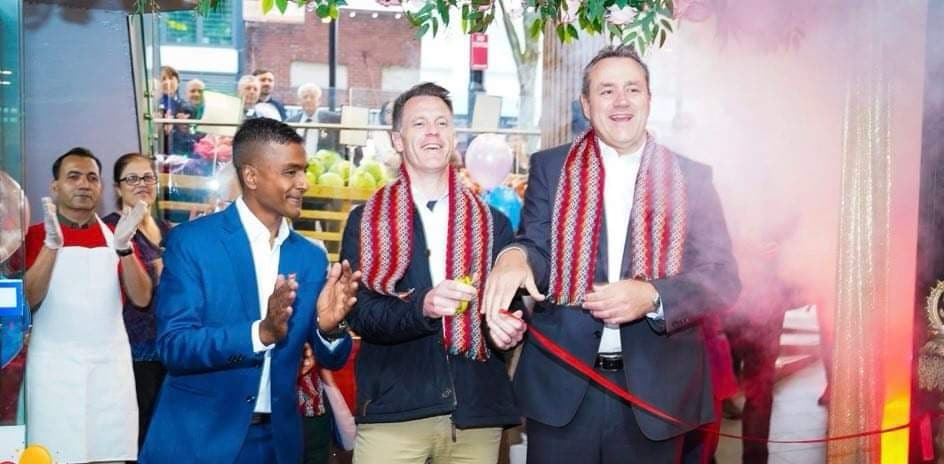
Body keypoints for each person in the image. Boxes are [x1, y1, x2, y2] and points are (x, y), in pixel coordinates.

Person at [483, 45, 741, 463]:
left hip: (657, 393)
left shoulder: (691, 178)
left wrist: (653, 296)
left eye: (632, 89)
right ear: (586, 105)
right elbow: (537, 248)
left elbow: (723, 278)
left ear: (649, 100)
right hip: (562, 387)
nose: (621, 101)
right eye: (606, 91)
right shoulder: (551, 167)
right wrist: (516, 255)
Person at [139, 117, 359, 464]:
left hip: (277, 445)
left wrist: (329, 329)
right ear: (251, 176)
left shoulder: (310, 256)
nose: (303, 183)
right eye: (290, 172)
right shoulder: (193, 242)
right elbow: (174, 346)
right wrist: (260, 333)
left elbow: (331, 357)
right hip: (198, 442)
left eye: (303, 171)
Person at [340, 82, 520, 464]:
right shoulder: (366, 221)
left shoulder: (494, 223)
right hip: (394, 412)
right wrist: (423, 305)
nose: (433, 132)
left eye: (442, 123)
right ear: (397, 140)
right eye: (419, 123)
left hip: (474, 413)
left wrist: (506, 328)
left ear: (454, 136)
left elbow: (509, 309)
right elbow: (360, 314)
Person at [24, 147, 152, 463]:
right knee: (53, 453)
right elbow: (28, 300)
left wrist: (125, 249)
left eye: (92, 178)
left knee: (108, 453)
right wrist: (50, 247)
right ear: (55, 186)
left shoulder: (118, 235)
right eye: (74, 176)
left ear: (101, 187)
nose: (84, 184)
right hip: (53, 370)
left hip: (109, 370)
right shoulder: (33, 236)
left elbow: (142, 297)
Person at [102, 153, 170, 452]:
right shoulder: (110, 229)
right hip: (132, 353)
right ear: (118, 188)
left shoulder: (167, 230)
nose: (141, 184)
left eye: (148, 177)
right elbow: (139, 296)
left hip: (169, 350)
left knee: (164, 439)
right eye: (132, 178)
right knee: (135, 439)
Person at [286, 83, 325, 156]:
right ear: (299, 101)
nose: (308, 100)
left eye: (312, 97)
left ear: (319, 101)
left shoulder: (332, 121)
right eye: (305, 97)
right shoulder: (290, 123)